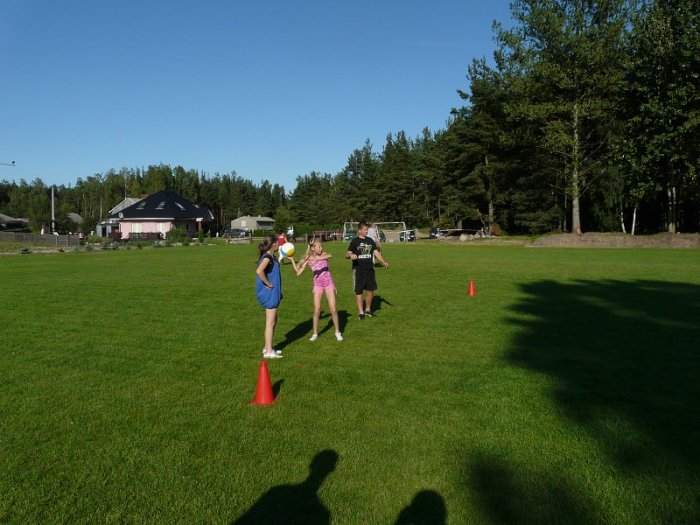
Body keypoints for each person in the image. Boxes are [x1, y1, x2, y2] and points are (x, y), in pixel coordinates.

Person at [290, 241, 343, 341]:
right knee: (317, 310)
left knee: (333, 309)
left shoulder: (323, 254)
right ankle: (315, 334)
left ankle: (337, 332)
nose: (321, 248)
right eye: (319, 246)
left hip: (329, 284)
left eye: (321, 246)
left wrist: (316, 258)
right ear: (313, 248)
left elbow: (330, 255)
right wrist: (292, 260)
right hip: (318, 285)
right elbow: (298, 272)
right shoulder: (308, 258)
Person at [346, 222, 389, 320]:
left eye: (367, 230)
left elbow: (376, 252)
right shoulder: (354, 241)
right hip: (358, 270)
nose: (366, 231)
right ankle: (361, 312)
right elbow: (347, 254)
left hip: (370, 269)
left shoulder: (370, 240)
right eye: (365, 230)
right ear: (359, 230)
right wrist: (351, 255)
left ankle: (368, 310)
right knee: (359, 291)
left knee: (370, 290)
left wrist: (383, 262)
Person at [255, 236, 284, 359]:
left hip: (274, 293)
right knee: (270, 322)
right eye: (277, 242)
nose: (279, 244)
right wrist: (268, 283)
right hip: (269, 294)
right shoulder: (268, 257)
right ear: (273, 244)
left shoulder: (272, 256)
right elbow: (259, 271)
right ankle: (268, 351)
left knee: (274, 320)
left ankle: (267, 346)